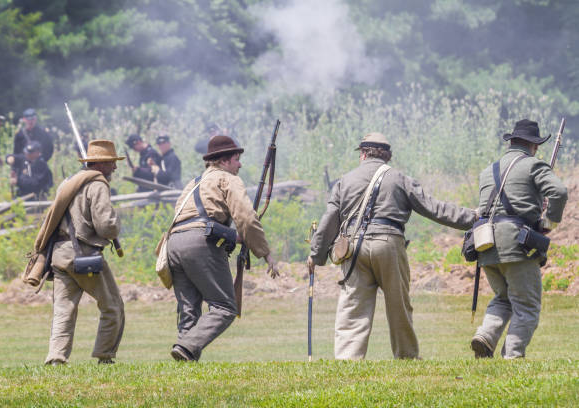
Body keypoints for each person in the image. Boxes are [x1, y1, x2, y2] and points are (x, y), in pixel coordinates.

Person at [308, 132, 477, 360]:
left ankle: (347, 360)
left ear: (363, 154)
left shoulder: (344, 181)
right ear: (387, 156)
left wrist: (315, 255)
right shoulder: (399, 178)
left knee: (352, 308)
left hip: (353, 248)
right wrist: (473, 218)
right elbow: (434, 208)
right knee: (398, 306)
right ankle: (406, 356)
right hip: (389, 244)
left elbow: (329, 220)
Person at [166, 135, 279, 361]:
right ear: (225, 161)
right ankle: (187, 346)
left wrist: (233, 237)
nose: (240, 164)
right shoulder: (228, 179)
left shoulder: (193, 183)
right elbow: (246, 218)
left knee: (189, 310)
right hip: (200, 243)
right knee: (225, 307)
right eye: (237, 159)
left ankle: (184, 360)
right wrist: (265, 253)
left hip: (174, 244)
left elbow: (187, 220)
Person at [470, 119, 567, 359]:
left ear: (512, 142)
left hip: (485, 243)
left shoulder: (488, 170)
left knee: (503, 298)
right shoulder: (534, 165)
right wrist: (549, 222)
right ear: (533, 146)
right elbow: (559, 192)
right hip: (517, 244)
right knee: (527, 305)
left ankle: (486, 335)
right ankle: (512, 356)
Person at [44, 139, 125, 365]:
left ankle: (56, 358)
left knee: (63, 310)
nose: (114, 168)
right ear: (99, 164)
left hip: (59, 255)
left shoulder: (68, 183)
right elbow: (106, 226)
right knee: (113, 306)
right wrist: (116, 223)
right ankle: (105, 356)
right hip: (84, 254)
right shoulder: (97, 184)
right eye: (111, 163)